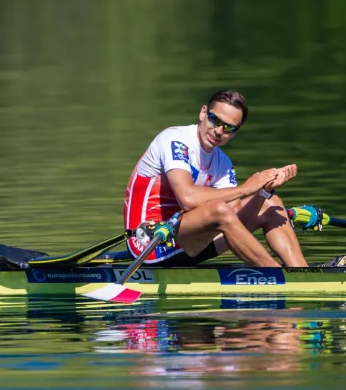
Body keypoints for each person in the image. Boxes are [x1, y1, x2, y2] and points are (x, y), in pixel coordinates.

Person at [122, 89, 326, 268]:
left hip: (190, 243)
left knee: (271, 204)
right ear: (203, 113)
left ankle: (302, 272)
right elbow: (187, 198)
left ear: (236, 132)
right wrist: (246, 189)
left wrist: (264, 191)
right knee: (219, 209)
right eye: (215, 120)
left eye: (229, 128)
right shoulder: (175, 140)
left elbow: (237, 214)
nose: (219, 131)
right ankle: (275, 274)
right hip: (149, 243)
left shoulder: (223, 162)